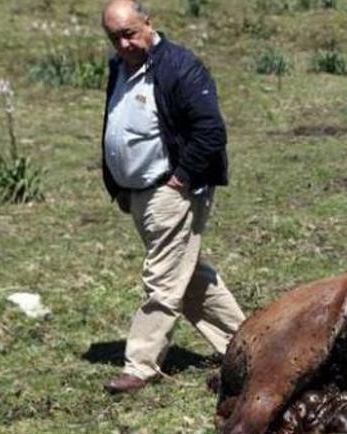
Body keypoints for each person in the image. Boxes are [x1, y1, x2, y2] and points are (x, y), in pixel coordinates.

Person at [99, 0, 245, 394]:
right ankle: (246, 344)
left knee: (162, 278)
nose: (124, 43)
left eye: (130, 33)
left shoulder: (179, 66)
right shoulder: (120, 69)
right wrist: (119, 183)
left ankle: (141, 365)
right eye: (115, 38)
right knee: (188, 274)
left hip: (172, 189)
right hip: (138, 192)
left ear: (149, 22)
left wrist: (181, 178)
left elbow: (211, 130)